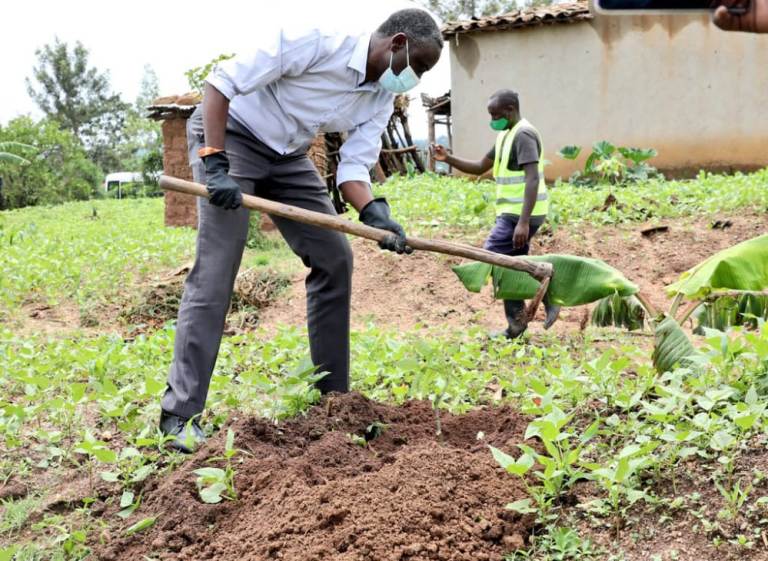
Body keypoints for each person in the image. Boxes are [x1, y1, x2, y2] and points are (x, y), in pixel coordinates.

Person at [160, 9, 443, 452]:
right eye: (419, 66)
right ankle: (179, 414)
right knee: (218, 265)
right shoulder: (316, 43)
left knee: (335, 258)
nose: (417, 79)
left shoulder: (381, 98)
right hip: (231, 136)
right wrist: (214, 164)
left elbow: (353, 169)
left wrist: (376, 214)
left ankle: (334, 404)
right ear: (398, 43)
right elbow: (220, 82)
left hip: (287, 156)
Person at [430, 89, 559, 340]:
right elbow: (480, 166)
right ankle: (519, 323)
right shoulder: (505, 135)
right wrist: (448, 158)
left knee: (494, 256)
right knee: (512, 266)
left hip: (521, 214)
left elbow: (533, 179)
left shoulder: (524, 135)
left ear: (510, 110)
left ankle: (547, 296)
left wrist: (522, 222)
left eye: (496, 114)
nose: (492, 120)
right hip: (511, 213)